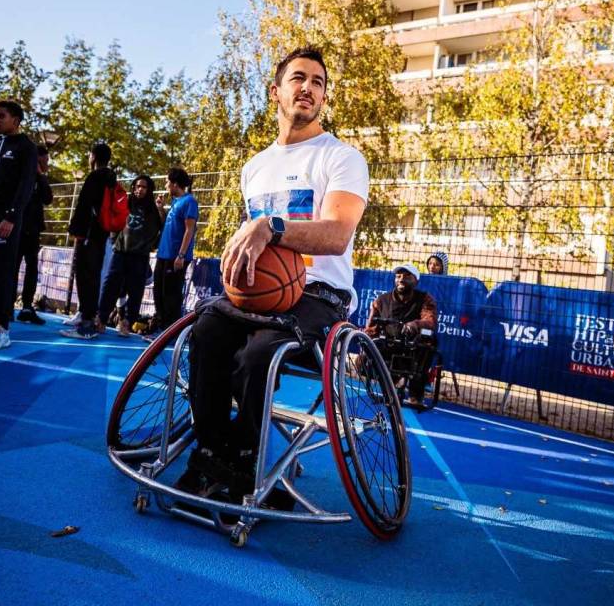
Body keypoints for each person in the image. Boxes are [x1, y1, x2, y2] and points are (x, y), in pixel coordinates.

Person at [177, 47, 369, 499]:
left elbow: (337, 234)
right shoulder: (254, 168)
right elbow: (259, 256)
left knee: (259, 352)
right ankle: (211, 452)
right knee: (206, 331)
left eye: (318, 82)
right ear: (276, 92)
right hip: (261, 295)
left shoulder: (341, 158)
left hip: (320, 294)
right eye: (298, 78)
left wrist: (271, 226)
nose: (308, 87)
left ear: (323, 98)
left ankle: (245, 464)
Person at [0, 100, 38, 349]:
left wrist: (10, 216)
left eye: (1, 116)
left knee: (2, 272)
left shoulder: (26, 148)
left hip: (6, 217)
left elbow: (26, 185)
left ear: (15, 120)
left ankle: (2, 328)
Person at [60, 143, 117, 340]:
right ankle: (86, 316)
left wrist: (76, 231)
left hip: (89, 234)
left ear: (93, 156)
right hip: (101, 234)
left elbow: (85, 206)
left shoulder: (95, 177)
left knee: (86, 277)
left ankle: (86, 324)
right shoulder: (111, 178)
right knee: (91, 276)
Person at [98, 175, 163, 336]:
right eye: (137, 186)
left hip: (139, 257)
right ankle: (101, 319)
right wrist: (114, 240)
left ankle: (127, 323)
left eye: (144, 187)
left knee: (135, 292)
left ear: (149, 190)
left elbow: (158, 231)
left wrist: (161, 210)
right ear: (133, 187)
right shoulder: (125, 203)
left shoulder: (153, 210)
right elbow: (114, 219)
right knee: (110, 286)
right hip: (120, 252)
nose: (140, 189)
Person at [364, 263, 437, 406]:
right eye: (398, 276)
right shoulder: (381, 301)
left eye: (407, 276)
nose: (401, 279)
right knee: (365, 356)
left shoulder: (425, 299)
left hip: (413, 346)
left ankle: (416, 393)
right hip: (389, 344)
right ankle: (393, 382)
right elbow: (371, 329)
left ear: (416, 280)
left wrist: (414, 325)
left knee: (430, 340)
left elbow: (430, 321)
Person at [149, 167, 197, 336]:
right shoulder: (176, 202)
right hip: (163, 254)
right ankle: (161, 327)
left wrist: (181, 255)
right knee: (159, 292)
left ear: (175, 184)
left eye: (168, 182)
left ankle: (170, 333)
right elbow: (167, 225)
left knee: (171, 295)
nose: (166, 184)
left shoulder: (189, 201)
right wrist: (161, 209)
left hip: (176, 257)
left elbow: (189, 230)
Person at [13, 144, 54, 325]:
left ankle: (27, 306)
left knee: (31, 268)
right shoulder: (20, 175)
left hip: (33, 230)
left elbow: (48, 198)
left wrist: (41, 175)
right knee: (11, 268)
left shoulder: (40, 179)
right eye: (45, 160)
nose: (47, 163)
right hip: (16, 228)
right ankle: (5, 306)